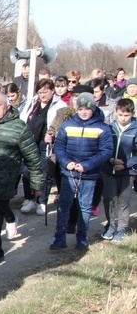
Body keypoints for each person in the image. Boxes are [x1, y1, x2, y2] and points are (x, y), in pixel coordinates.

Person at [0, 91, 43, 277]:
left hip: (3, 185)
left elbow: (33, 158)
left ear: (7, 107)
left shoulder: (19, 127)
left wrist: (37, 184)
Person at [50, 93, 112, 250]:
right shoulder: (67, 125)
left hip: (89, 175)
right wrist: (66, 162)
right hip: (69, 174)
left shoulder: (102, 128)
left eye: (87, 109)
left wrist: (88, 165)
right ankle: (59, 237)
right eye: (81, 109)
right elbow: (58, 146)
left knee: (85, 207)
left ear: (94, 108)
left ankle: (82, 238)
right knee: (64, 205)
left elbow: (106, 151)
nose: (84, 112)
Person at [19, 78, 67, 216]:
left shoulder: (60, 105)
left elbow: (62, 125)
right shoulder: (33, 102)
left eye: (45, 92)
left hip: (47, 144)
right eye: (40, 92)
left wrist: (53, 135)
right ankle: (29, 199)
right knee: (27, 171)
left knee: (44, 172)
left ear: (52, 91)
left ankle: (42, 201)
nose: (42, 95)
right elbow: (24, 118)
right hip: (30, 141)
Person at [101, 98, 137, 242]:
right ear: (116, 112)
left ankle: (122, 228)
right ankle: (111, 225)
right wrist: (110, 159)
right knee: (109, 199)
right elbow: (104, 147)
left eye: (126, 115)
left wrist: (126, 164)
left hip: (127, 171)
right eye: (120, 115)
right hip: (109, 170)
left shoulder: (135, 129)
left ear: (133, 114)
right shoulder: (109, 128)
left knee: (123, 200)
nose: (123, 118)